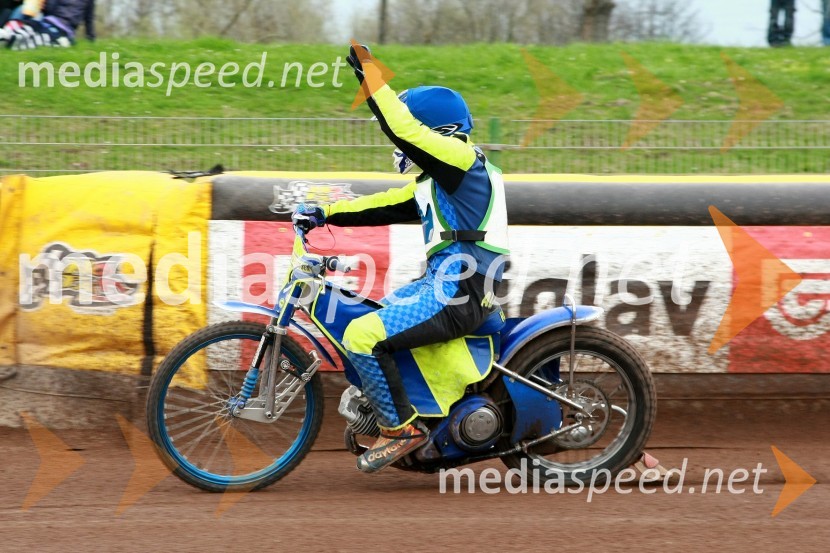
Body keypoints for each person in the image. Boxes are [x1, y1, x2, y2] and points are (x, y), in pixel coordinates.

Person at [292, 44, 510, 473]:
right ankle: (398, 412)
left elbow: (402, 129)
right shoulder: (441, 181)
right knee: (373, 317)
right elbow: (384, 204)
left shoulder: (461, 160)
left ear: (437, 131)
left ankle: (401, 430)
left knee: (361, 335)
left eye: (417, 128)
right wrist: (325, 212)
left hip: (458, 293)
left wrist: (372, 79)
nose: (403, 144)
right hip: (445, 286)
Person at [0, 0, 94, 49]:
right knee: (36, 36)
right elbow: (89, 19)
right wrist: (91, 37)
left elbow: (50, 9)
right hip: (63, 29)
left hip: (50, 23)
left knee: (28, 27)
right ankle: (9, 38)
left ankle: (7, 35)